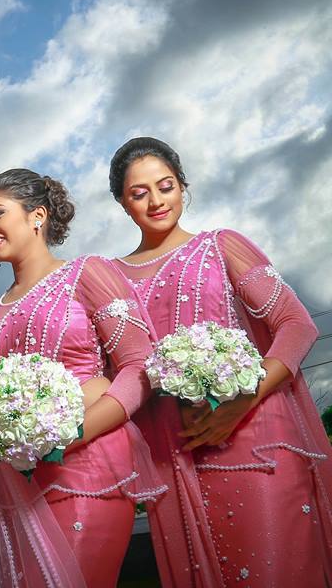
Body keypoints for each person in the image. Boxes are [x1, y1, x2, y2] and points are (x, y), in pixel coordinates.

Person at [108, 136, 332, 586]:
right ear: (122, 202)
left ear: (182, 186)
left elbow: (296, 325)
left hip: (256, 432)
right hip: (178, 448)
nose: (156, 201)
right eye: (139, 193)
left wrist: (243, 400)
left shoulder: (220, 246)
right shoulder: (111, 277)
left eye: (166, 186)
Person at [0, 169, 166, 587]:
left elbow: (139, 365)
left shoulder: (87, 273)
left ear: (37, 216)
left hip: (88, 463)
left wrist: (70, 435)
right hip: (13, 484)